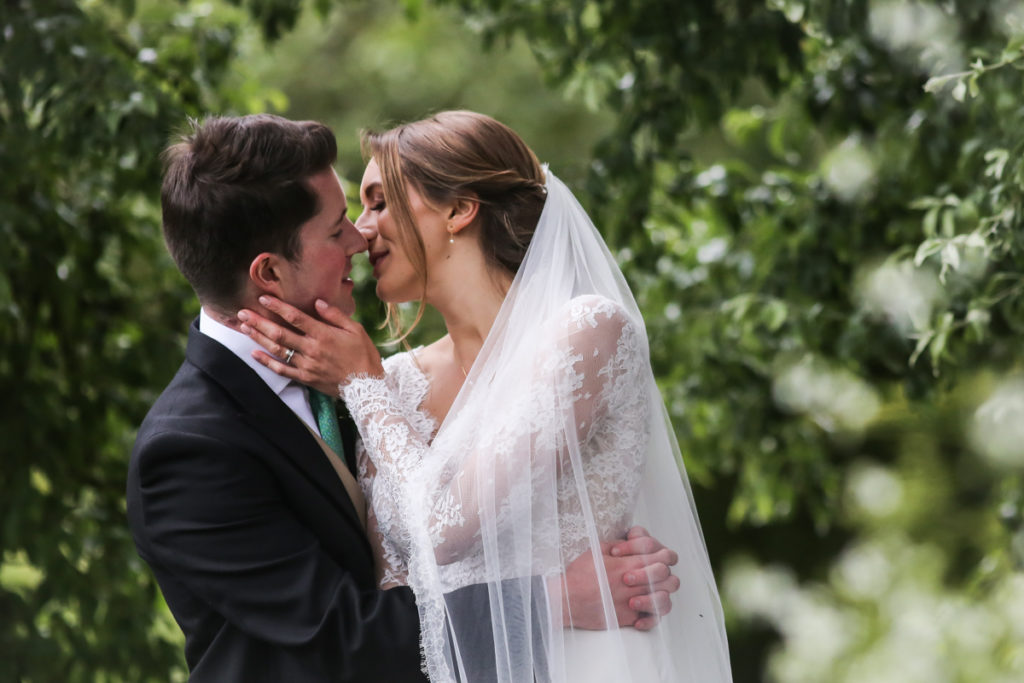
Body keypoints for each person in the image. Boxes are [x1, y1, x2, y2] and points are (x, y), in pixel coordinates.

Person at [126, 113, 683, 682]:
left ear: (459, 210)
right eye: (340, 223)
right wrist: (554, 601)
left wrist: (361, 387)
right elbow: (350, 627)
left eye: (374, 205)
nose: (360, 236)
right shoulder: (198, 445)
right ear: (268, 272)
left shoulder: (372, 380)